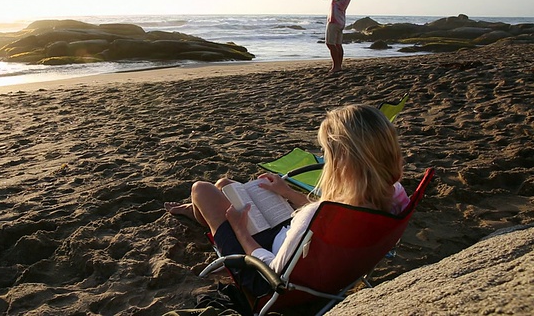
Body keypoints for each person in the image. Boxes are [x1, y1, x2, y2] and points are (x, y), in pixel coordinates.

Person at [165, 104, 408, 297]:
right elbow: (327, 218)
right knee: (226, 186)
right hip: (302, 246)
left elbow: (274, 272)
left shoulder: (318, 214)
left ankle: (198, 213)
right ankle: (199, 213)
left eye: (326, 153)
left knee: (203, 189)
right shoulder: (394, 195)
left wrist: (240, 230)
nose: (324, 159)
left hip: (267, 272)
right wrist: (287, 193)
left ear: (342, 160)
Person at [314, 0, 355, 74]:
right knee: (337, 44)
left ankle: (336, 66)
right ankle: (338, 65)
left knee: (330, 44)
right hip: (340, 21)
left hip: (334, 21)